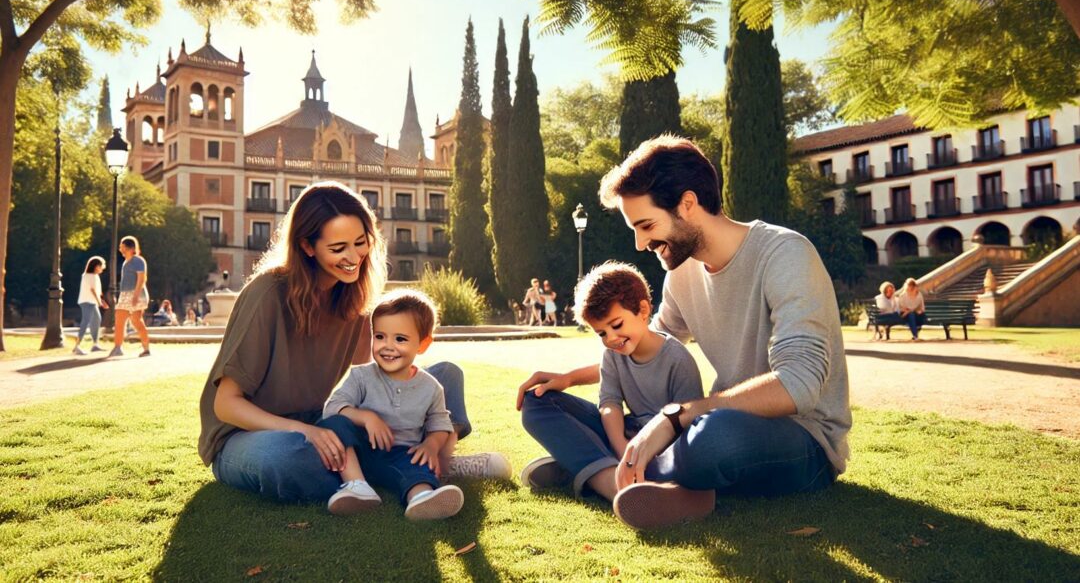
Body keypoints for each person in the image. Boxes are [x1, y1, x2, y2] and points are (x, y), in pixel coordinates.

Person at [516, 135, 851, 530]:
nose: (641, 244)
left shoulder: (785, 254)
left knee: (716, 436)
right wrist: (570, 378)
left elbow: (799, 386)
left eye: (646, 225)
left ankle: (591, 466)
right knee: (542, 402)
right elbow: (644, 345)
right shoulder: (682, 275)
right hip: (706, 423)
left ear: (687, 205)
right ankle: (618, 478)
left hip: (800, 440)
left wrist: (677, 417)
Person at [198, 181, 509, 506]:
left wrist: (363, 415)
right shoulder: (268, 293)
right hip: (248, 436)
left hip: (327, 423)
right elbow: (226, 404)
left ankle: (438, 460)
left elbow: (375, 383)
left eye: (360, 243)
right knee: (291, 457)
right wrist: (305, 431)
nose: (353, 258)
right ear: (307, 246)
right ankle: (407, 470)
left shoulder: (356, 298)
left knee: (445, 375)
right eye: (338, 248)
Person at [520, 262, 702, 506]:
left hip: (662, 447)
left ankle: (584, 466)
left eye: (616, 325)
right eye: (602, 333)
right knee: (536, 402)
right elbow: (609, 404)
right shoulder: (612, 355)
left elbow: (688, 425)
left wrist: (638, 452)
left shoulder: (678, 359)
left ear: (643, 310)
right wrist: (622, 449)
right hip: (624, 437)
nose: (612, 338)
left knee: (685, 459)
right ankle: (607, 471)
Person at [318, 289, 465, 520]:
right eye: (380, 337)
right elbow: (333, 406)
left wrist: (431, 446)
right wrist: (367, 417)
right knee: (336, 423)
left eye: (400, 339)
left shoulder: (431, 387)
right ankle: (357, 486)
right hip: (359, 451)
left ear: (423, 344)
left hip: (401, 453)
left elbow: (440, 423)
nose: (388, 346)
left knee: (418, 465)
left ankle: (421, 498)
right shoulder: (361, 376)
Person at [110, 236, 151, 358]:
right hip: (126, 294)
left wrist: (136, 295)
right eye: (120, 247)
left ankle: (121, 348)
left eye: (122, 246)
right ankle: (121, 347)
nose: (120, 249)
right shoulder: (125, 262)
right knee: (128, 320)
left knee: (128, 319)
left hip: (135, 293)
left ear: (130, 248)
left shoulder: (138, 260)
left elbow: (142, 278)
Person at [73, 256, 108, 355]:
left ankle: (95, 345)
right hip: (87, 301)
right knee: (85, 322)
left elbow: (98, 291)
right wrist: (100, 302)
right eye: (102, 266)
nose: (103, 268)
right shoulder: (89, 276)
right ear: (96, 266)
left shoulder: (95, 276)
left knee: (96, 320)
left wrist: (101, 301)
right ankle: (77, 347)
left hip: (91, 302)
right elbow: (92, 290)